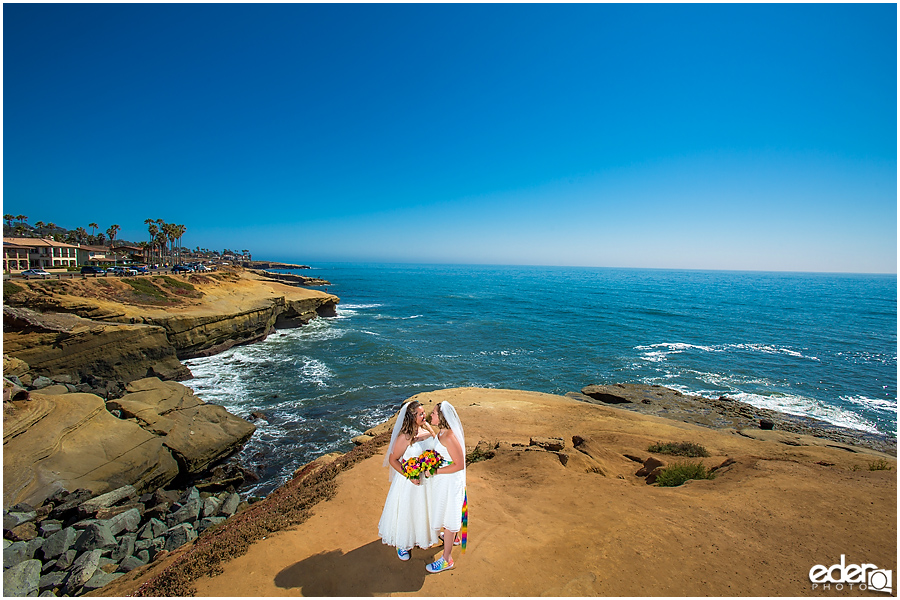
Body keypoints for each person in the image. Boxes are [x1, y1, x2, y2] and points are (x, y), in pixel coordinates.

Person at [378, 400, 441, 560]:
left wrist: (427, 427)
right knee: (409, 511)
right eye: (420, 414)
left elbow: (435, 446)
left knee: (426, 509)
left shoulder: (426, 431)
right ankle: (402, 543)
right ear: (411, 417)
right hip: (410, 483)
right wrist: (410, 476)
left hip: (427, 480)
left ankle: (426, 534)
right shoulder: (405, 437)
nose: (424, 415)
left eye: (424, 412)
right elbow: (393, 460)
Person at [424, 401, 466, 574]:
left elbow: (460, 464)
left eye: (433, 413)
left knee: (449, 516)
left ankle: (447, 559)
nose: (431, 415)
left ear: (441, 417)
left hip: (450, 481)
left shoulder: (449, 436)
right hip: (444, 479)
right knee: (446, 511)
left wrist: (435, 471)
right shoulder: (441, 432)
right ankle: (454, 538)